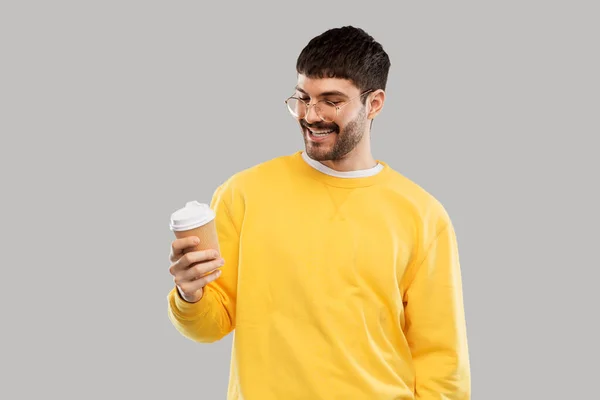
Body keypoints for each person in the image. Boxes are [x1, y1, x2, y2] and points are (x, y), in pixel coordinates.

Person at [167, 26, 471, 399]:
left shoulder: (423, 215)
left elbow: (442, 360)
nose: (311, 115)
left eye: (331, 100)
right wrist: (190, 294)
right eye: (303, 98)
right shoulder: (242, 193)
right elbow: (212, 324)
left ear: (374, 103)